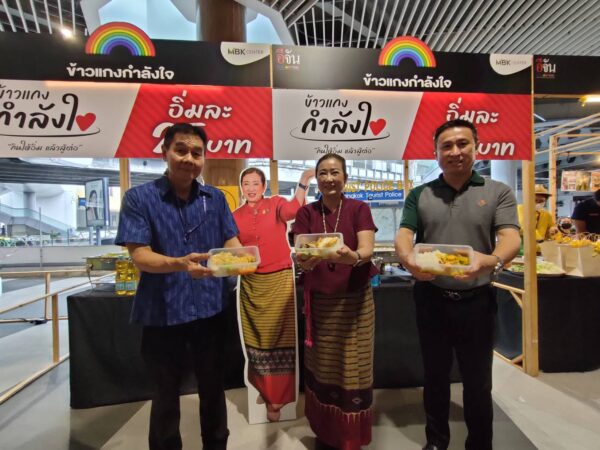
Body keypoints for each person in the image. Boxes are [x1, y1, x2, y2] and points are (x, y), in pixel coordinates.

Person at [395, 119, 520, 450]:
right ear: (435, 152)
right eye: (446, 146)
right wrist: (408, 260)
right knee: (434, 377)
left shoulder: (498, 191)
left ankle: (480, 444)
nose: (455, 152)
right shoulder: (420, 194)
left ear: (476, 147)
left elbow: (511, 238)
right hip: (431, 298)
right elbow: (404, 235)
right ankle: (436, 442)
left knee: (478, 382)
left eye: (463, 143)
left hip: (477, 300)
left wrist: (489, 260)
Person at [115, 123, 241, 450]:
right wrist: (180, 264)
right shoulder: (139, 198)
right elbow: (140, 256)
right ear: (164, 153)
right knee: (165, 395)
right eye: (181, 150)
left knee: (213, 391)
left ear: (204, 158)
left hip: (211, 311)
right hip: (162, 313)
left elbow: (232, 243)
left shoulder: (215, 199)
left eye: (197, 153)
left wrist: (241, 259)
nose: (189, 158)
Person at [291, 153, 377, 450]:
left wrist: (353, 257)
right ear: (316, 178)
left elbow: (366, 249)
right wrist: (307, 261)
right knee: (324, 366)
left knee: (354, 365)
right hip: (321, 304)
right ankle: (326, 433)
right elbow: (302, 255)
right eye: (323, 173)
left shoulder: (358, 208)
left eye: (335, 172)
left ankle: (351, 436)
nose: (329, 178)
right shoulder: (307, 213)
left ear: (345, 178)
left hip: (356, 302)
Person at [233, 166, 314, 422]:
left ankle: (279, 396)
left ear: (264, 186)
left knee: (281, 337)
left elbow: (294, 210)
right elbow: (231, 245)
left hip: (279, 278)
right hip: (251, 281)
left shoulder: (276, 203)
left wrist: (303, 180)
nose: (251, 188)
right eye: (246, 183)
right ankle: (265, 389)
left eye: (255, 183)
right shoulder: (235, 215)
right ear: (241, 187)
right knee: (257, 338)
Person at [517, 184, 557, 253]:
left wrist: (553, 230)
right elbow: (525, 227)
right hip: (523, 250)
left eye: (541, 201)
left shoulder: (546, 214)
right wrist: (540, 240)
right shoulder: (521, 209)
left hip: (540, 251)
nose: (538, 203)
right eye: (535, 200)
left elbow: (552, 228)